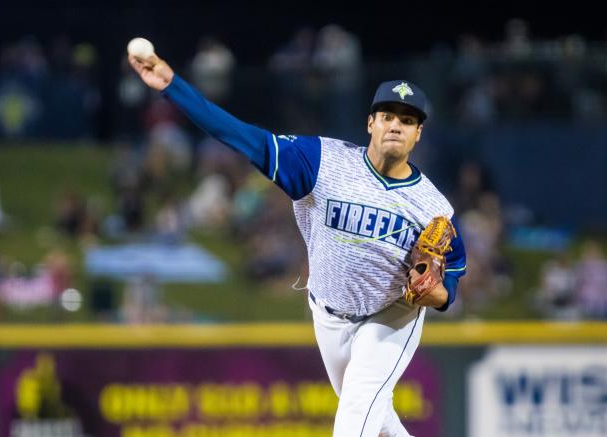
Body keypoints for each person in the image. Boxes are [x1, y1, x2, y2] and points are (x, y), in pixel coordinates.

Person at [129, 50, 467, 437]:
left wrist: (437, 294)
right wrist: (175, 87)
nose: (396, 126)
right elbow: (242, 137)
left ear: (418, 133)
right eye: (388, 116)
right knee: (379, 421)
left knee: (356, 413)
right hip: (327, 313)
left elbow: (453, 273)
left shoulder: (435, 207)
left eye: (407, 120)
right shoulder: (321, 161)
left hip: (392, 315)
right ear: (370, 122)